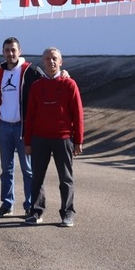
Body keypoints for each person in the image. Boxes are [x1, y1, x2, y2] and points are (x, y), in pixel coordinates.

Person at [23, 47, 84, 228]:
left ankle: (67, 213)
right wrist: (27, 141)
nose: (51, 62)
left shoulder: (69, 84)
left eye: (54, 59)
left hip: (63, 138)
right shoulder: (36, 86)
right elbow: (30, 115)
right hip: (39, 138)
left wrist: (78, 140)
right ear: (43, 61)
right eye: (47, 59)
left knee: (65, 178)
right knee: (37, 177)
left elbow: (78, 114)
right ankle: (36, 211)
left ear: (60, 62)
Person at [0, 37, 45, 218]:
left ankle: (30, 205)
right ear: (3, 52)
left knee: (28, 170)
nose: (10, 53)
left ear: (19, 51)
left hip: (23, 127)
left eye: (13, 50)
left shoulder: (31, 71)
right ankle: (7, 204)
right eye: (7, 50)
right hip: (4, 126)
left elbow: (49, 82)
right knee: (6, 169)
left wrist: (64, 75)